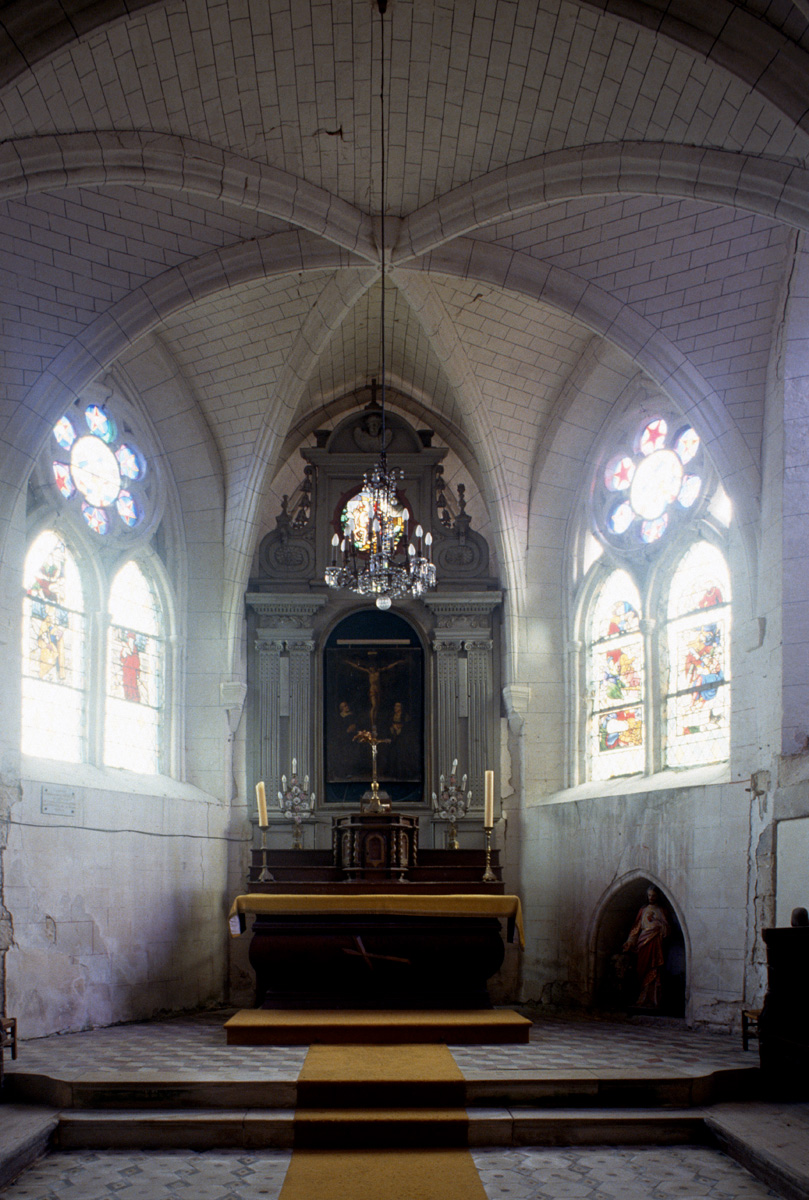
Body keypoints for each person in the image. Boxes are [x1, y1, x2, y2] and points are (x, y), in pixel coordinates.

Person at [623, 885, 669, 1009]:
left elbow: (668, 929)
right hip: (643, 943)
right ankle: (642, 998)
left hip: (656, 944)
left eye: (653, 896)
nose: (651, 898)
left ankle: (654, 1000)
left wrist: (660, 926)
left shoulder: (662, 910)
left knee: (655, 970)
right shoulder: (643, 910)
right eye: (649, 895)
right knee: (641, 970)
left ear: (657, 896)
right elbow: (636, 928)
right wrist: (630, 941)